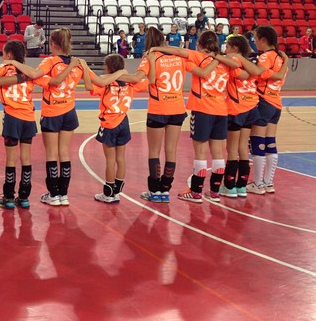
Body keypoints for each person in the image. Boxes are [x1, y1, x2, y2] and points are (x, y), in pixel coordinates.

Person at [149, 31, 240, 203]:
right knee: (218, 153)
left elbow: (178, 51)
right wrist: (218, 57)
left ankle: (196, 191)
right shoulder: (226, 61)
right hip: (221, 110)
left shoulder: (199, 56)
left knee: (200, 152)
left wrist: (155, 48)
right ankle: (214, 192)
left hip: (202, 108)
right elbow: (237, 67)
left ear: (200, 44)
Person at [4, 28, 84, 207]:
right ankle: (64, 194)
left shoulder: (50, 62)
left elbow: (34, 75)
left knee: (51, 154)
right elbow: (91, 83)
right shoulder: (78, 63)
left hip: (52, 112)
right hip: (70, 111)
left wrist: (14, 63)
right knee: (65, 153)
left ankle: (53, 194)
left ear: (53, 44)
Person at [120, 27, 187, 203]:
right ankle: (165, 190)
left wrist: (115, 76)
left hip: (159, 108)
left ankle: (154, 190)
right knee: (171, 150)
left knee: (154, 151)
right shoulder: (179, 57)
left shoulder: (151, 57)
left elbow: (137, 78)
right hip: (178, 108)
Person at [0, 41, 43, 209]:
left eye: (3, 54)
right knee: (26, 158)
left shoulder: (6, 68)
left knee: (11, 158)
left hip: (12, 116)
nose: (2, 57)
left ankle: (8, 197)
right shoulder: (28, 72)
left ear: (9, 55)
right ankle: (24, 197)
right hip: (28, 117)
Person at [82, 54, 148, 203]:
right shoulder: (130, 83)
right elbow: (149, 81)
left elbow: (89, 86)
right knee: (121, 158)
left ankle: (108, 192)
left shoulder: (106, 83)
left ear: (108, 67)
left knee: (110, 160)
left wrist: (85, 69)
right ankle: (117, 191)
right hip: (123, 121)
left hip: (109, 123)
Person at [219, 35, 271, 198]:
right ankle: (241, 186)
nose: (225, 50)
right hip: (251, 107)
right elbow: (253, 73)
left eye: (228, 47)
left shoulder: (234, 62)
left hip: (236, 108)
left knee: (232, 149)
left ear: (235, 49)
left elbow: (242, 75)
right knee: (243, 148)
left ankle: (229, 186)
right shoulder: (251, 63)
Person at [246, 26, 288, 195]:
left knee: (257, 142)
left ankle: (258, 184)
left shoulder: (265, 57)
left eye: (256, 39)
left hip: (263, 101)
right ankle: (268, 183)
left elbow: (257, 72)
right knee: (270, 142)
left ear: (263, 40)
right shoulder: (280, 58)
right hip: (276, 102)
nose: (254, 42)